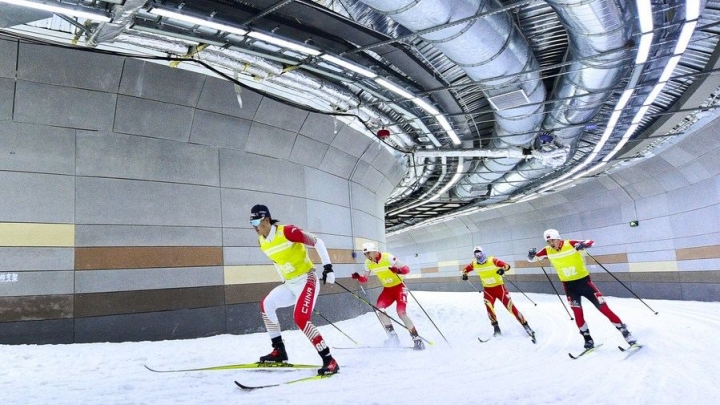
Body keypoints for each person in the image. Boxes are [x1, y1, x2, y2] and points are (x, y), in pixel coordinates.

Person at [250, 204, 339, 375]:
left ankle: (329, 360)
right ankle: (279, 351)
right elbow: (276, 261)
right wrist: (283, 279)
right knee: (266, 305)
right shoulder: (262, 241)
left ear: (266, 220)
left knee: (300, 318)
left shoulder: (287, 232)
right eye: (251, 223)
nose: (254, 227)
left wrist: (328, 268)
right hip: (290, 284)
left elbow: (317, 242)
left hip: (307, 279)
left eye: (256, 222)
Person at [527, 228, 637, 349]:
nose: (551, 243)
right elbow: (532, 259)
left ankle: (625, 333)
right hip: (570, 287)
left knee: (603, 308)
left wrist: (583, 244)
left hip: (585, 283)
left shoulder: (570, 244)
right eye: (548, 241)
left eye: (552, 240)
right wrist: (531, 255)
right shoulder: (547, 250)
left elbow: (590, 241)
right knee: (578, 313)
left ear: (558, 238)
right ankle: (587, 339)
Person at [351, 242, 425, 350]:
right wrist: (358, 277)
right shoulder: (368, 263)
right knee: (380, 309)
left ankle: (417, 339)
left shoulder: (388, 257)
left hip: (400, 287)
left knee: (401, 313)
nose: (367, 256)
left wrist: (397, 270)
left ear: (374, 251)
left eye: (368, 253)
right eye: (365, 254)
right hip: (388, 290)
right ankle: (393, 337)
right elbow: (365, 279)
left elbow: (407, 269)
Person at [462, 246, 535, 340]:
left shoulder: (492, 260)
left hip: (500, 289)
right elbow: (465, 270)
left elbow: (507, 266)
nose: (478, 256)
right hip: (488, 291)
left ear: (483, 253)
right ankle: (496, 329)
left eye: (479, 253)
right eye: (476, 254)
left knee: (511, 308)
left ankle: (526, 326)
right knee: (489, 308)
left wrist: (502, 269)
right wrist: (464, 274)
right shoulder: (474, 263)